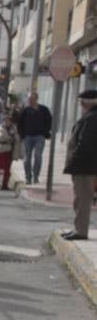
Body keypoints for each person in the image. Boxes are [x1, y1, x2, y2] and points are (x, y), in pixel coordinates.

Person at [60, 89, 97, 240]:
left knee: (83, 199)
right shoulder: (90, 116)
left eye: (82, 102)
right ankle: (78, 228)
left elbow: (85, 142)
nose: (80, 105)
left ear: (87, 103)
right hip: (85, 165)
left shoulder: (92, 118)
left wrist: (74, 158)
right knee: (80, 198)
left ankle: (81, 231)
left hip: (84, 165)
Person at [19, 91, 53, 184]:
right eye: (29, 99)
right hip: (28, 137)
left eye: (32, 99)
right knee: (27, 159)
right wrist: (22, 135)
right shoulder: (25, 111)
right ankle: (28, 177)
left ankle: (36, 176)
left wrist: (46, 132)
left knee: (38, 156)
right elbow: (20, 123)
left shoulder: (44, 109)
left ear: (36, 99)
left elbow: (49, 121)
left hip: (39, 136)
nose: (30, 101)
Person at [0, 111, 18, 190]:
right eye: (6, 120)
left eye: (9, 121)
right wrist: (10, 139)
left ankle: (4, 185)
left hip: (9, 150)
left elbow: (17, 139)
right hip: (1, 150)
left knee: (7, 169)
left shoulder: (13, 129)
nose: (7, 122)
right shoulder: (0, 129)